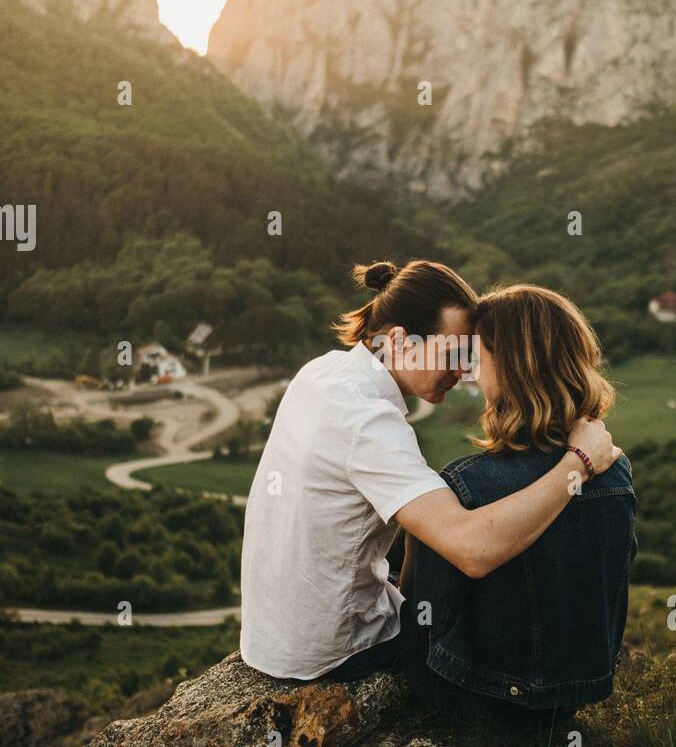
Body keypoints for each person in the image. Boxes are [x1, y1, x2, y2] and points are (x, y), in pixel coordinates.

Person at [239, 260, 621, 681]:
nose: (461, 372)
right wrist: (578, 462)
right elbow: (473, 550)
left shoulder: (323, 372)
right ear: (399, 340)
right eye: (451, 353)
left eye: (469, 356)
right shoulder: (367, 422)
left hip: (272, 636)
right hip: (335, 653)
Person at [400, 284, 637, 714]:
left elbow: (420, 623)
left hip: (472, 702)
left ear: (510, 367)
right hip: (572, 699)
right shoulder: (616, 472)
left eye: (478, 357)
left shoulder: (465, 486)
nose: (470, 372)